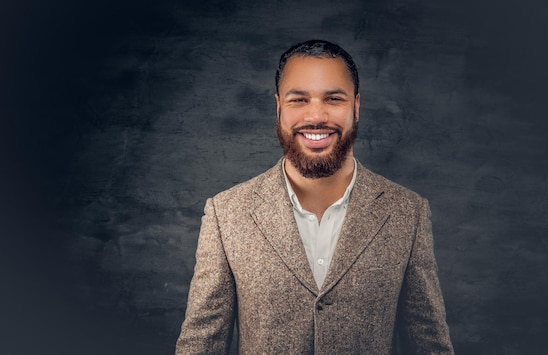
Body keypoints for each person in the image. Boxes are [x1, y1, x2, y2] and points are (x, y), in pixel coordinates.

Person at [176, 39, 454, 354]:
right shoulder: (226, 213)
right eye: (299, 99)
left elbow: (430, 344)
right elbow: (200, 345)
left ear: (356, 106)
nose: (317, 115)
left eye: (333, 98)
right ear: (279, 106)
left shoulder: (408, 212)